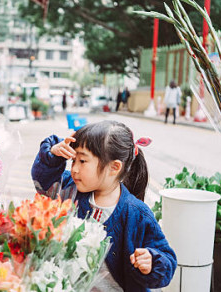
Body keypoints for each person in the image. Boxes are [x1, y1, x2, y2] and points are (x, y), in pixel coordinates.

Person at [31, 121, 177, 291]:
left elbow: (167, 260)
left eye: (83, 161)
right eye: (73, 160)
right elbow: (43, 184)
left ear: (114, 167)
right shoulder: (69, 189)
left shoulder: (137, 214)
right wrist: (52, 156)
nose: (75, 169)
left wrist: (152, 261)